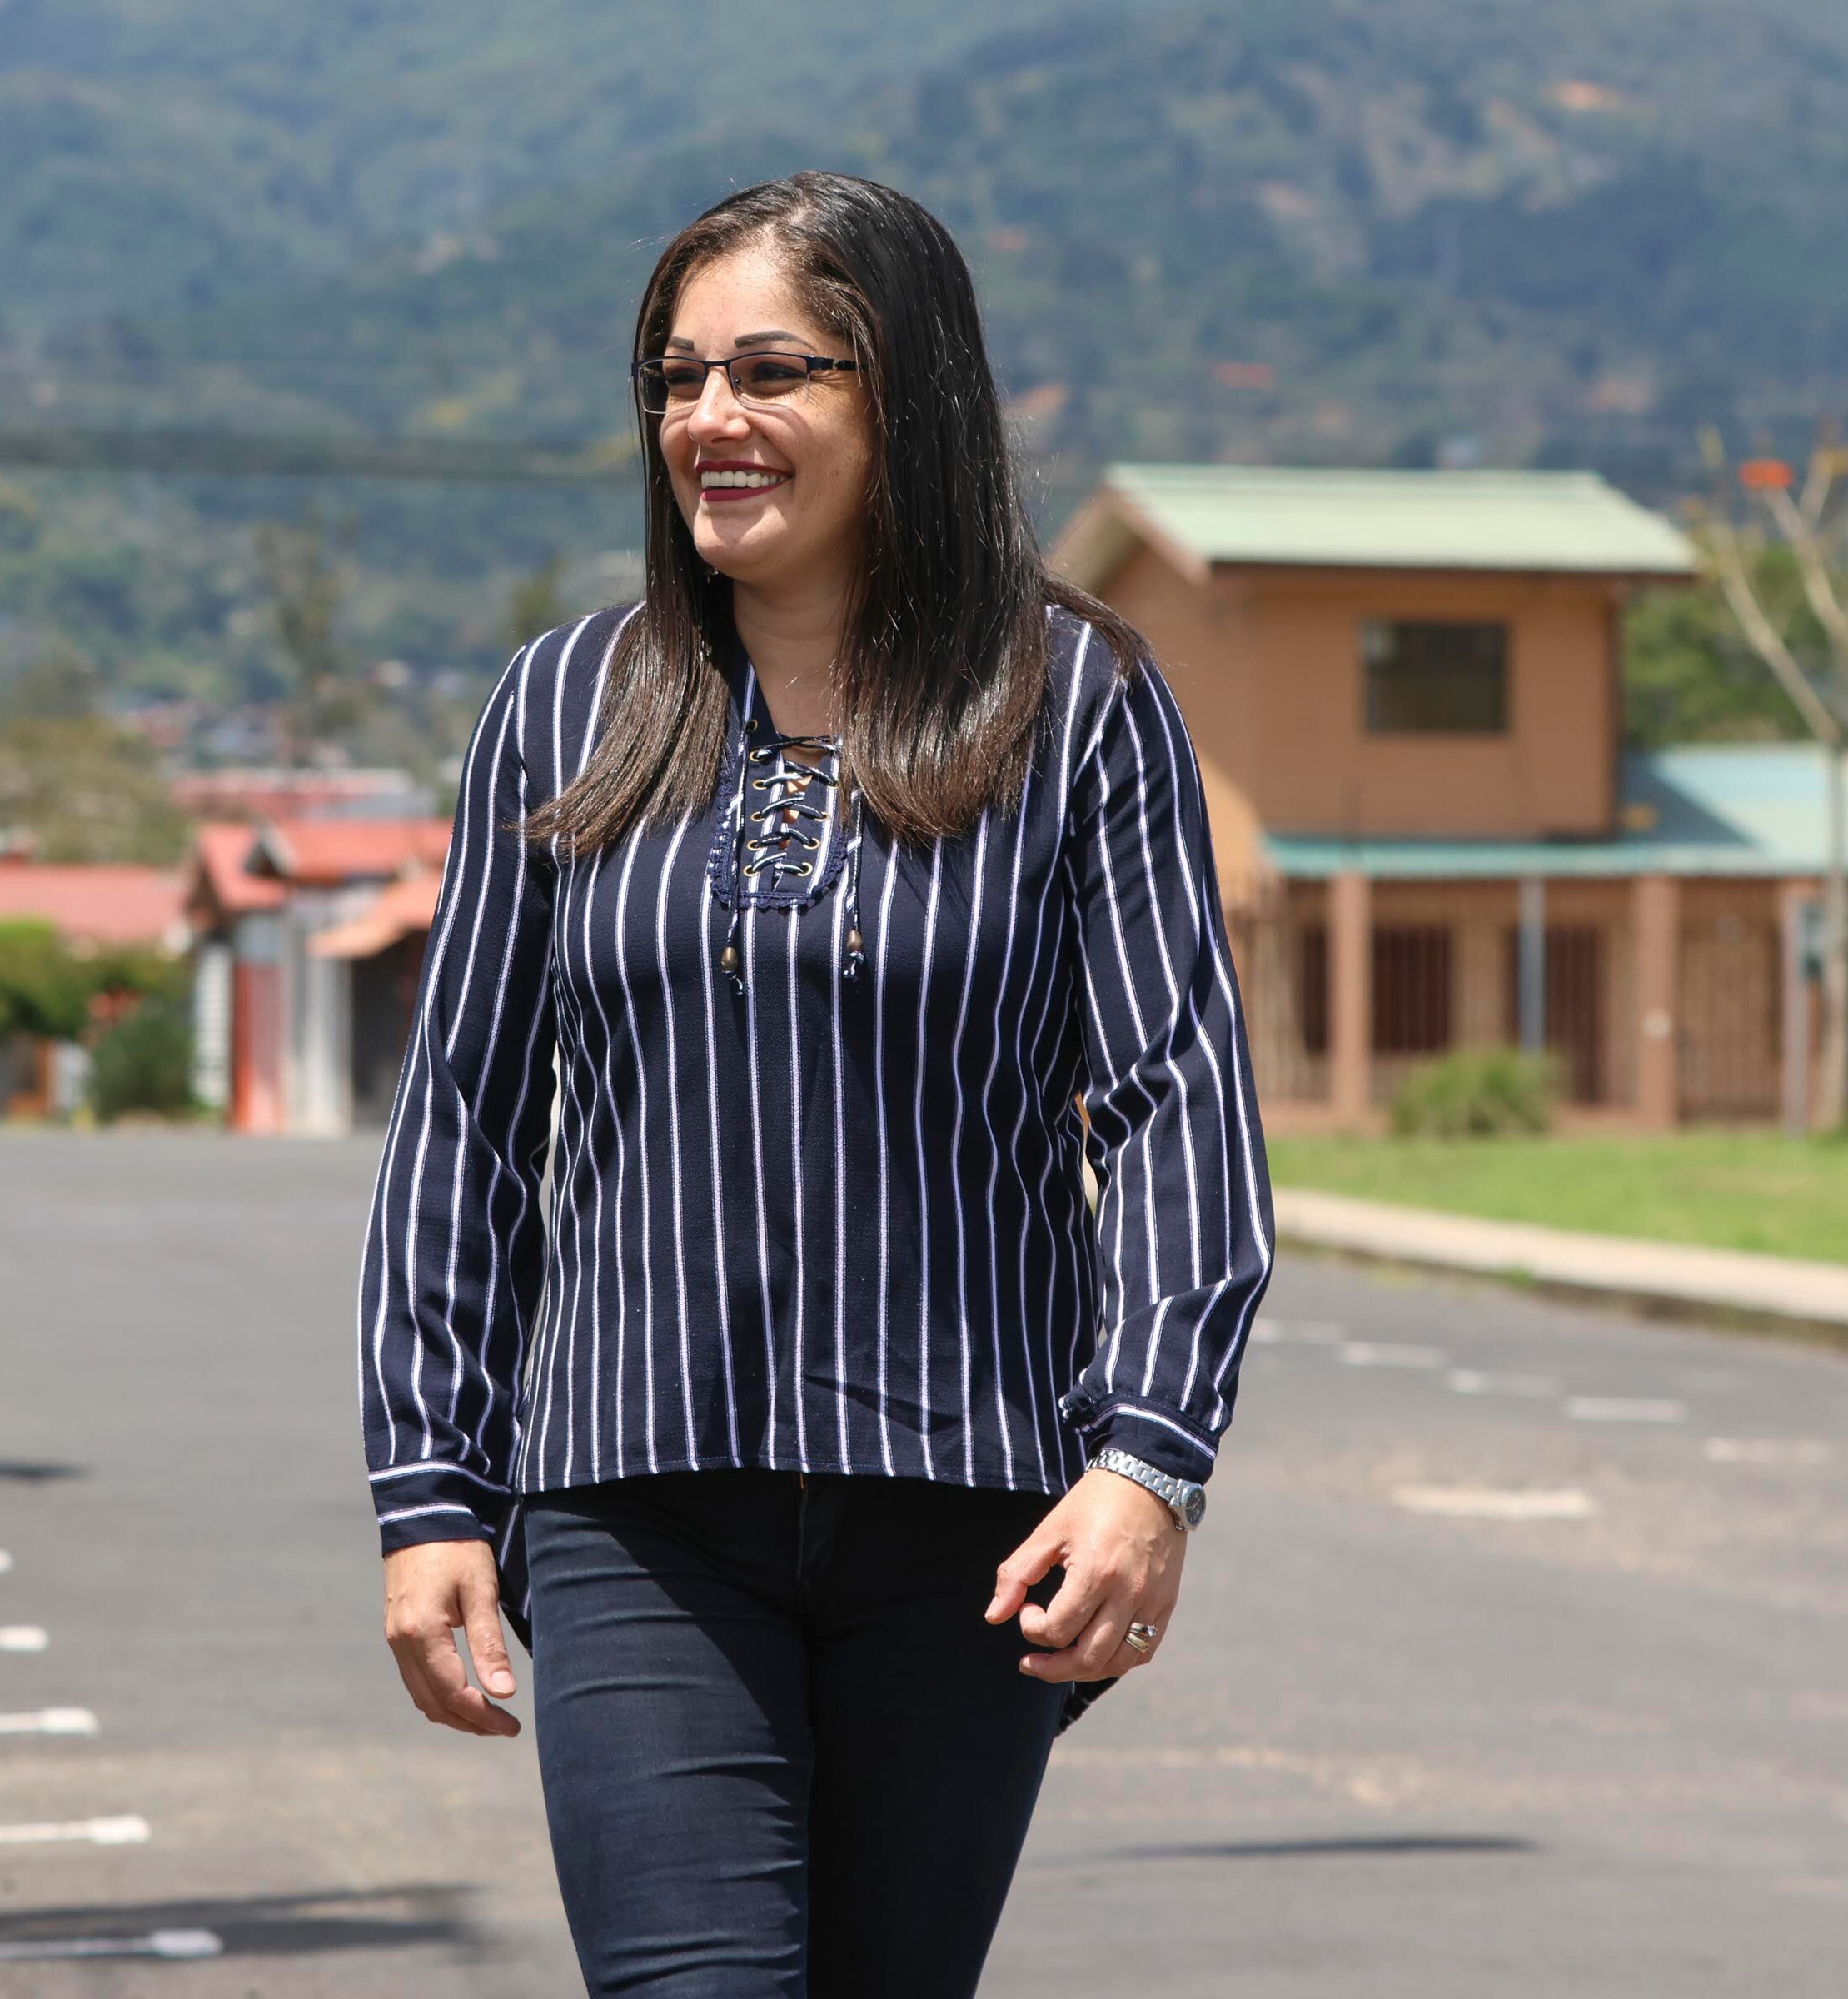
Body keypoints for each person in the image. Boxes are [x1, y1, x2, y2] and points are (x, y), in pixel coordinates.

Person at [360, 171, 1272, 1996]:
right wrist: (430, 1486)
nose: (710, 418)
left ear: (903, 391)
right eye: (677, 379)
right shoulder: (562, 706)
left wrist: (1150, 1465)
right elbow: (462, 1117)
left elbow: (1179, 1100)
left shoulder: (1077, 702)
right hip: (633, 1502)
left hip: (970, 1518)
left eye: (771, 371)